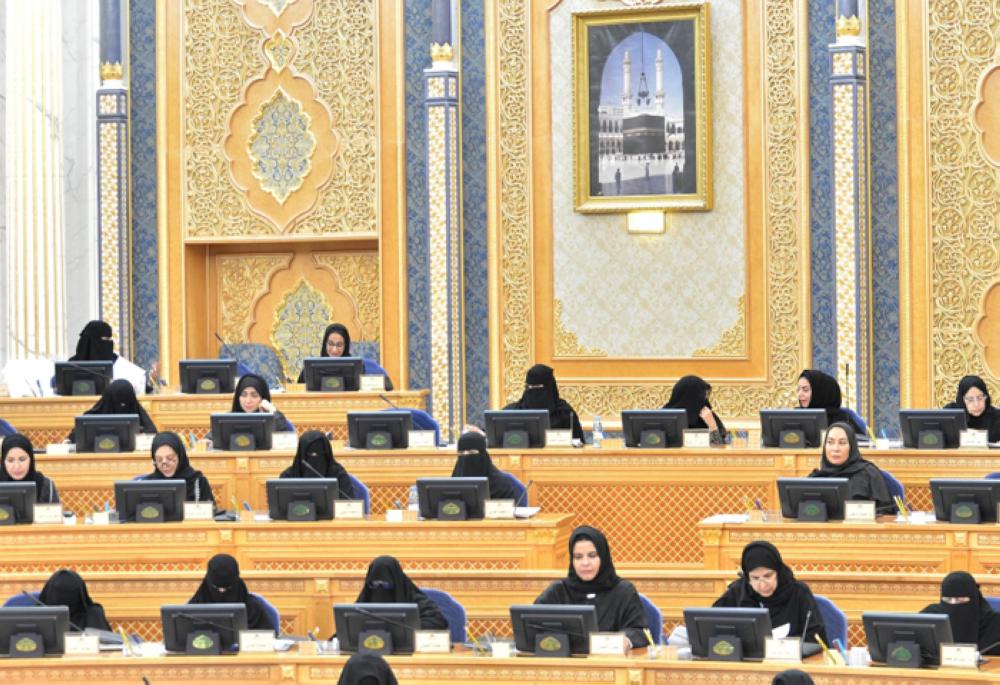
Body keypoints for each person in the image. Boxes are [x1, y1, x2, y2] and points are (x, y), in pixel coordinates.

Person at [534, 526, 649, 647]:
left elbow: (640, 631)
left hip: (610, 663)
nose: (585, 563)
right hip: (565, 664)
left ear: (603, 557)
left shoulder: (623, 591)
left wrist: (625, 640)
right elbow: (532, 625)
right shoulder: (558, 591)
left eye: (592, 555)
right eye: (578, 557)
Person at [713, 540, 827, 645]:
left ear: (778, 572)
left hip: (790, 662)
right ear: (747, 578)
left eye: (768, 576)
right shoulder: (738, 592)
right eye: (755, 578)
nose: (762, 585)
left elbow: (816, 638)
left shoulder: (799, 592)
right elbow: (711, 625)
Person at [808, 423, 895, 515]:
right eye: (830, 442)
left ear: (852, 446)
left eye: (842, 443)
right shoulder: (816, 478)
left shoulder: (869, 474)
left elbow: (885, 513)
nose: (835, 448)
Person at [189, 553, 276, 632]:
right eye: (215, 588)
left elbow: (268, 641)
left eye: (228, 588)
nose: (222, 592)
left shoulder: (255, 608)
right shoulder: (191, 610)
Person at [355, 556, 447, 630]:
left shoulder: (415, 599)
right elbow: (348, 622)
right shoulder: (365, 598)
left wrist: (403, 626)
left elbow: (438, 622)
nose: (380, 589)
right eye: (374, 584)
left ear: (397, 582)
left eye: (386, 584)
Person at [921, 571, 1000, 655]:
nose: (953, 603)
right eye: (947, 600)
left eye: (959, 600)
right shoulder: (930, 616)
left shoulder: (994, 623)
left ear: (974, 599)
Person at [296, 323, 394, 390]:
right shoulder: (309, 369)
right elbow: (298, 391)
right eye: (330, 344)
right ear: (324, 344)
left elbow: (387, 386)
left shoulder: (358, 368)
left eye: (339, 345)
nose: (334, 350)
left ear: (345, 346)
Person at [504, 364, 584, 442]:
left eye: (537, 387)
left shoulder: (565, 413)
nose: (532, 392)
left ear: (549, 388)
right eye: (528, 387)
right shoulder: (512, 413)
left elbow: (579, 446)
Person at [68, 320, 147, 394]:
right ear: (92, 341)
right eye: (105, 339)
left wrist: (151, 379)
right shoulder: (71, 365)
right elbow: (57, 387)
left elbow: (140, 385)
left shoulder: (121, 365)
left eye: (109, 339)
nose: (109, 343)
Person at [67, 379, 157, 443]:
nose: (122, 407)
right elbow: (75, 437)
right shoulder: (89, 419)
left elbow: (153, 435)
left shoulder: (139, 414)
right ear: (109, 400)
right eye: (117, 402)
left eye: (126, 403)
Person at [140, 432, 215, 505]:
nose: (165, 464)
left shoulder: (198, 482)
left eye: (170, 458)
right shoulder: (148, 484)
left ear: (180, 456)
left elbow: (211, 514)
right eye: (159, 460)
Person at [281, 430, 356, 499]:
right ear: (302, 456)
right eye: (311, 454)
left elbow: (349, 505)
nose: (316, 459)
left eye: (321, 454)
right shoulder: (288, 477)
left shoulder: (339, 474)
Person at [451, 431, 518, 501]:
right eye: (461, 453)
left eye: (472, 452)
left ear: (483, 454)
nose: (466, 456)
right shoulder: (454, 483)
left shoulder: (505, 485)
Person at [796, 370, 866, 436]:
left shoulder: (843, 420)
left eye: (805, 390)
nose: (800, 394)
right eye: (798, 390)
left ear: (821, 392)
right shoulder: (796, 416)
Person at [662, 375, 727, 445]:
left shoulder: (707, 416)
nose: (704, 400)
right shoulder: (664, 417)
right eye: (701, 397)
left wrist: (713, 427)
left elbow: (720, 451)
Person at [38, 569, 112, 631]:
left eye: (70, 592)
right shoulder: (38, 616)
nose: (65, 598)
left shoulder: (94, 614)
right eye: (60, 592)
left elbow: (107, 644)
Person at [1, 433, 59, 504]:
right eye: (10, 460)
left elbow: (54, 514)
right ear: (3, 462)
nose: (17, 466)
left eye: (22, 459)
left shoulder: (45, 484)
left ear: (31, 460)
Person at [944, 375, 1000, 442]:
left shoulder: (997, 417)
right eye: (970, 399)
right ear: (962, 400)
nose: (976, 404)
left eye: (980, 398)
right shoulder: (950, 415)